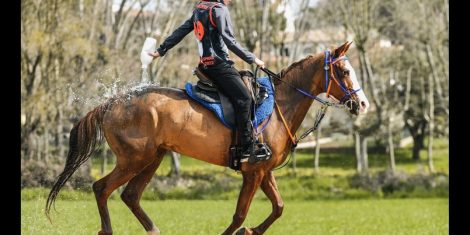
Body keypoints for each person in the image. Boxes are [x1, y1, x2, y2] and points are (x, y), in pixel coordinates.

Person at [149, 0, 269, 160]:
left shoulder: (200, 7)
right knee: (245, 98)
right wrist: (253, 59)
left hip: (205, 66)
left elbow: (181, 31)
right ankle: (247, 148)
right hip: (219, 67)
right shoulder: (219, 10)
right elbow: (230, 42)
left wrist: (161, 49)